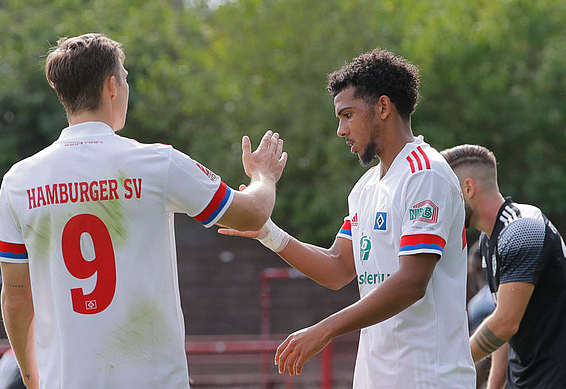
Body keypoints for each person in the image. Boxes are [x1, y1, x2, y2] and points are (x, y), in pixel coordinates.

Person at [0, 33, 287, 389]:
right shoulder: (156, 162)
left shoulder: (19, 180)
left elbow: (16, 297)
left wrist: (30, 376)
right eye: (127, 78)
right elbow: (253, 213)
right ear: (112, 87)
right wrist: (264, 176)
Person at [220, 49, 475, 388]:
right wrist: (267, 231)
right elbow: (338, 266)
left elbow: (412, 283)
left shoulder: (424, 173)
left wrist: (325, 329)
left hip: (429, 377)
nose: (341, 130)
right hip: (377, 378)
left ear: (383, 108)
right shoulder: (366, 187)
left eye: (348, 115)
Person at [441, 144, 566, 388]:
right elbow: (502, 326)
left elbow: (505, 322)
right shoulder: (490, 240)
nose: (441, 207)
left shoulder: (521, 229)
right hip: (529, 380)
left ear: (468, 188)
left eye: (445, 194)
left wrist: (448, 365)